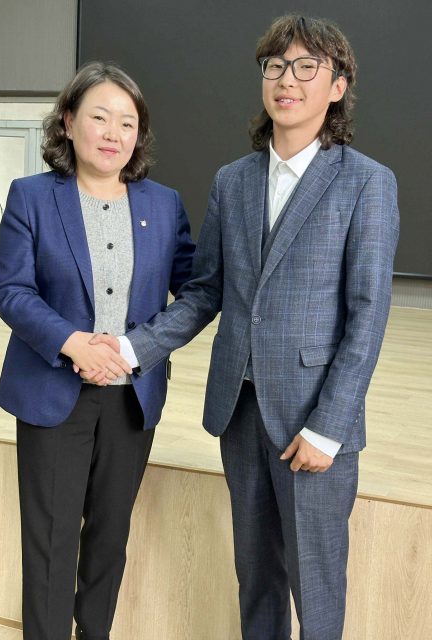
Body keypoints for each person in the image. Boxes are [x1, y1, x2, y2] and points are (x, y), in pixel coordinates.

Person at [87, 14, 400, 639]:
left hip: (313, 422)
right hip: (241, 412)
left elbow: (368, 316)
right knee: (256, 579)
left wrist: (329, 428)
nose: (287, 79)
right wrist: (130, 348)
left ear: (337, 85)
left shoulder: (367, 183)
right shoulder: (233, 181)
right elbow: (206, 292)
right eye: (275, 66)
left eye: (306, 67)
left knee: (317, 590)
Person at [0, 61, 195, 640]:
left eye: (127, 122)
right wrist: (72, 341)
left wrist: (136, 347)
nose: (113, 133)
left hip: (132, 399)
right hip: (53, 393)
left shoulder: (165, 203)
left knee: (109, 539)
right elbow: (11, 290)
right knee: (50, 545)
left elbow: (197, 292)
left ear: (139, 134)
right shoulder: (32, 196)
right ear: (68, 122)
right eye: (99, 117)